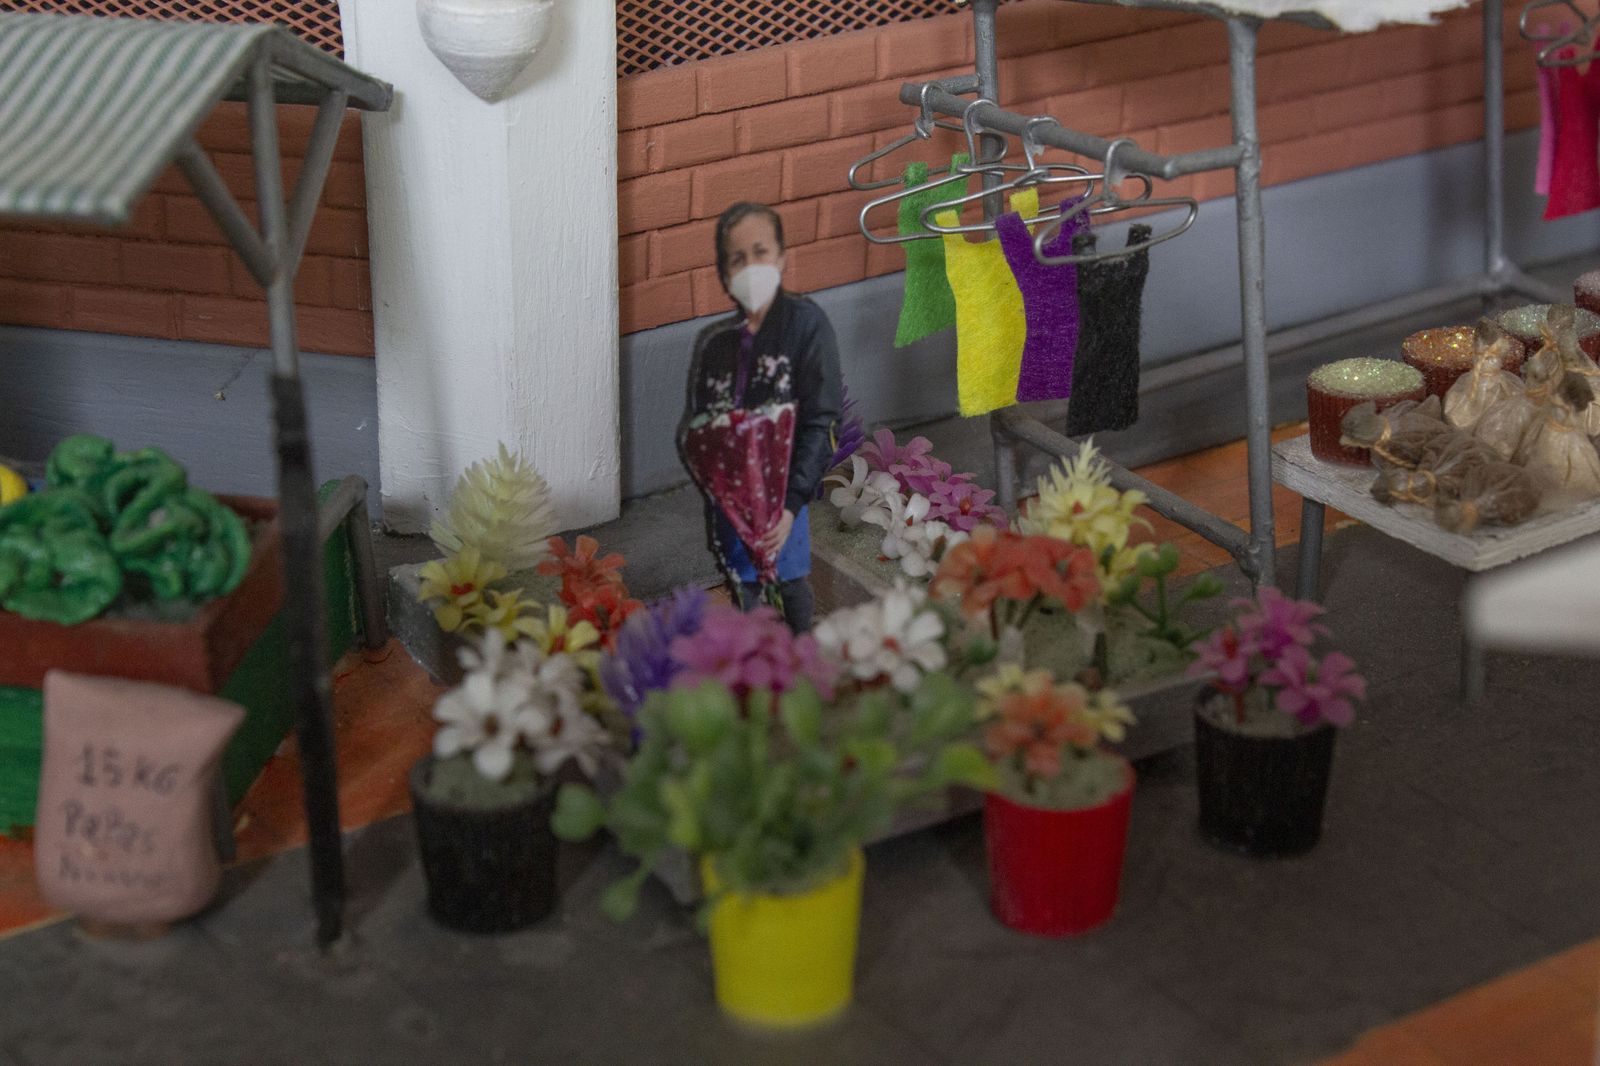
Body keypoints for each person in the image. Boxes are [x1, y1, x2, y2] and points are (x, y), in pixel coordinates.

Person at [678, 202, 843, 633]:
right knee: (746, 594)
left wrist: (789, 507)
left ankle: (798, 663)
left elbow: (821, 420)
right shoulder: (714, 346)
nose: (751, 266)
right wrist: (727, 500)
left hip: (784, 504)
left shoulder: (807, 326)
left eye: (760, 252)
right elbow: (698, 432)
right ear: (723, 273)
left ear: (782, 257)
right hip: (731, 513)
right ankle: (756, 671)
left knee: (791, 592)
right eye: (737, 258)